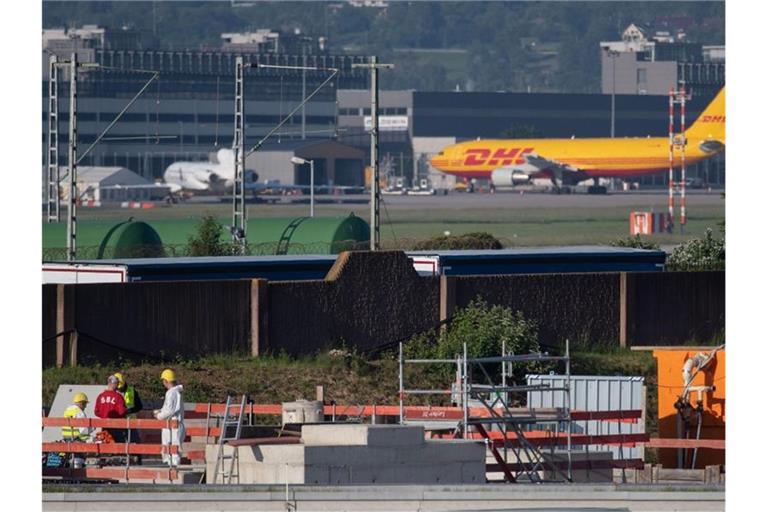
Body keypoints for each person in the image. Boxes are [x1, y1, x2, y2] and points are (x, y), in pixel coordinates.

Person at [154, 368, 185, 466]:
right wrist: (161, 411)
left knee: (172, 450)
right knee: (172, 449)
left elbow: (170, 410)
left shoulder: (171, 393)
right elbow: (170, 408)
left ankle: (173, 468)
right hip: (175, 424)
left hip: (172, 425)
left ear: (166, 381)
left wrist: (159, 416)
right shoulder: (176, 392)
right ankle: (172, 466)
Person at [61, 392, 93, 469]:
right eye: (85, 404)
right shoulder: (79, 412)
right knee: (79, 458)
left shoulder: (68, 410)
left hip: (66, 438)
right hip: (76, 438)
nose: (85, 406)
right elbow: (83, 431)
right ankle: (78, 474)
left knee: (70, 458)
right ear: (81, 403)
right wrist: (91, 433)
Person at [94, 375, 128, 442]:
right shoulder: (118, 397)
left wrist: (104, 415)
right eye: (117, 383)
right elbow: (122, 412)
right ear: (114, 383)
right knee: (118, 447)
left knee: (106, 445)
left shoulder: (100, 396)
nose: (118, 385)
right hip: (116, 427)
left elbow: (96, 412)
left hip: (104, 426)